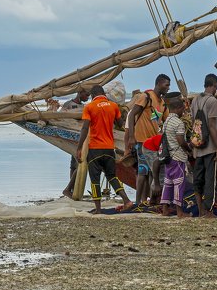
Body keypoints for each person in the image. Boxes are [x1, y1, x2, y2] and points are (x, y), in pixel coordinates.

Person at [76, 85, 132, 214]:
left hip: (95, 148)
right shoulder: (113, 106)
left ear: (92, 95)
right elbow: (119, 123)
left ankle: (99, 209)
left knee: (95, 179)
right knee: (112, 176)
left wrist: (79, 148)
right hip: (109, 148)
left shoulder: (89, 107)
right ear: (104, 94)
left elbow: (85, 128)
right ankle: (127, 201)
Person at [125, 73, 170, 207]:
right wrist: (131, 137)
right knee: (142, 171)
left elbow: (167, 122)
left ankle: (150, 201)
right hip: (141, 141)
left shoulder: (163, 103)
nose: (168, 88)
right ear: (158, 84)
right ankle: (139, 202)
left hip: (154, 143)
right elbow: (132, 114)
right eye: (166, 85)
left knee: (153, 172)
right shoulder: (146, 97)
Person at [190, 74, 217, 218]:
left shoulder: (195, 100)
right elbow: (211, 126)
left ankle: (200, 210)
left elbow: (193, 122)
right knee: (210, 180)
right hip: (209, 148)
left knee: (197, 179)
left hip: (197, 147)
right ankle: (208, 211)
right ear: (214, 85)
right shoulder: (212, 101)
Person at [160, 92, 191, 218]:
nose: (183, 113)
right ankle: (179, 212)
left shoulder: (167, 121)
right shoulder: (178, 123)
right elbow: (180, 140)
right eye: (182, 110)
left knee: (168, 183)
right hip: (178, 156)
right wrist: (188, 148)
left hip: (168, 156)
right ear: (178, 108)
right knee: (179, 183)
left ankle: (165, 210)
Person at [61, 87, 91, 198]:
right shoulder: (68, 104)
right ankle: (70, 189)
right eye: (86, 95)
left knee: (75, 164)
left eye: (89, 96)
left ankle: (71, 189)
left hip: (81, 138)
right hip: (73, 138)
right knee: (75, 165)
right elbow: (60, 118)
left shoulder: (84, 106)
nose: (87, 98)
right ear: (79, 93)